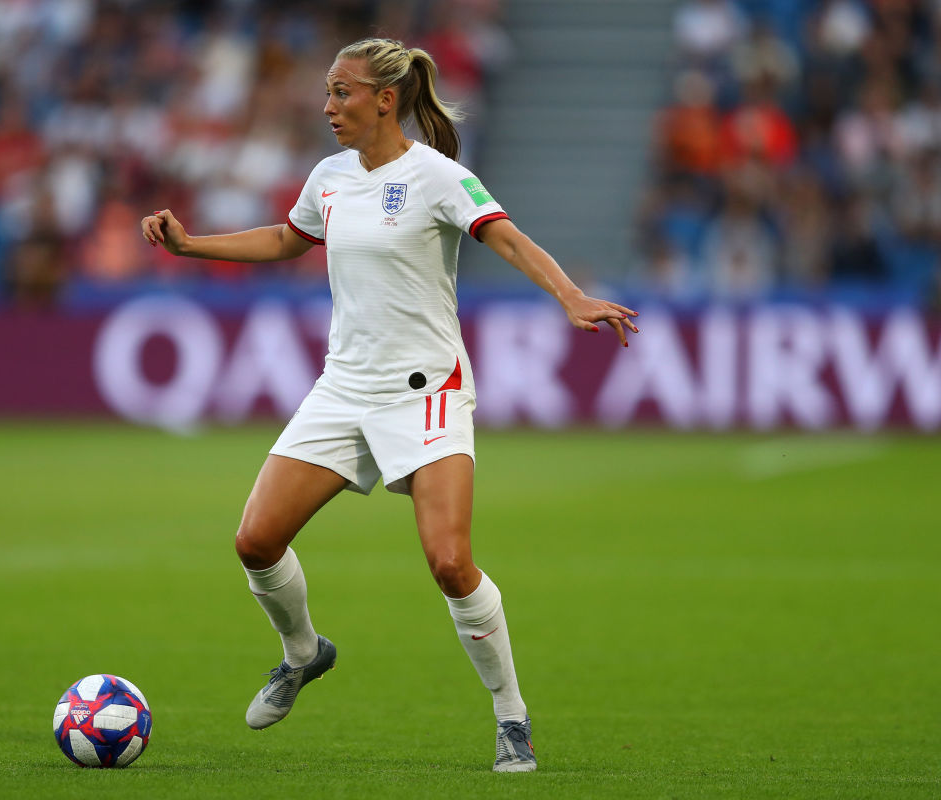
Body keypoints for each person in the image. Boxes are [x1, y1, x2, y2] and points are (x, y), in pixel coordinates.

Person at [142, 37, 639, 773]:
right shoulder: (331, 177)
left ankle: (512, 718)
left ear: (385, 99)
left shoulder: (437, 177)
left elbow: (506, 238)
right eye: (327, 91)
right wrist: (192, 247)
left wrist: (570, 296)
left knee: (449, 562)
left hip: (426, 391)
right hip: (344, 387)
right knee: (254, 541)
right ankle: (304, 652)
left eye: (342, 92)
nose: (327, 106)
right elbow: (288, 237)